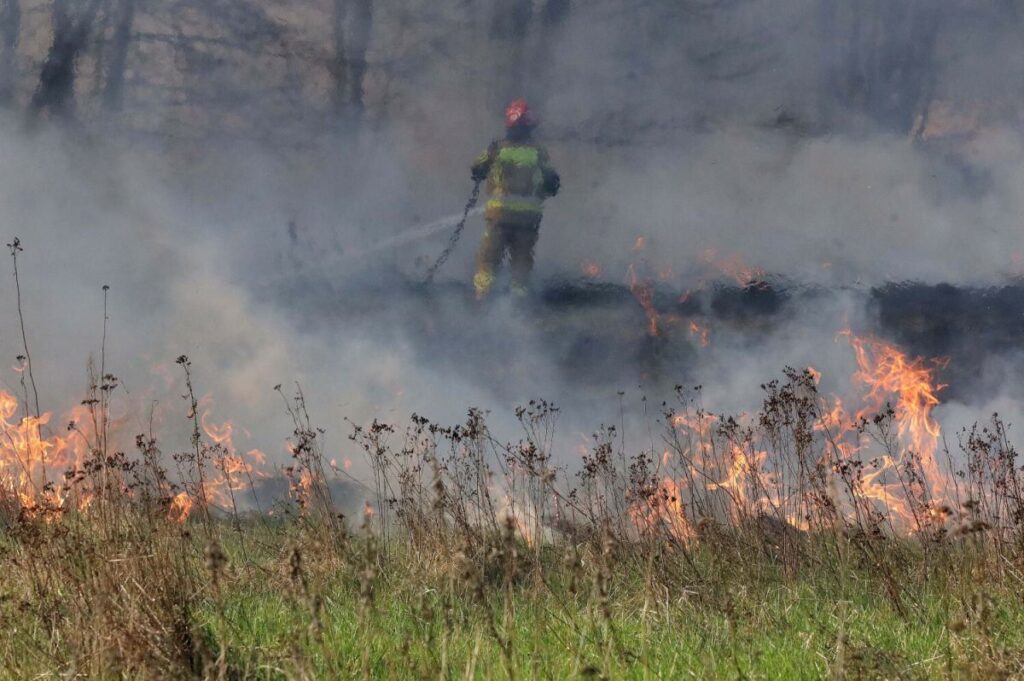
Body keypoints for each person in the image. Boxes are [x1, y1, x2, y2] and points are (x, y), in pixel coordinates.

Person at [471, 99, 560, 299]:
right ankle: (518, 302)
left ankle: (481, 296)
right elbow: (553, 182)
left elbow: (478, 168)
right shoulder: (538, 152)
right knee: (521, 259)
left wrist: (480, 174)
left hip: (499, 215)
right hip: (528, 218)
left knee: (489, 257)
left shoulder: (498, 148)